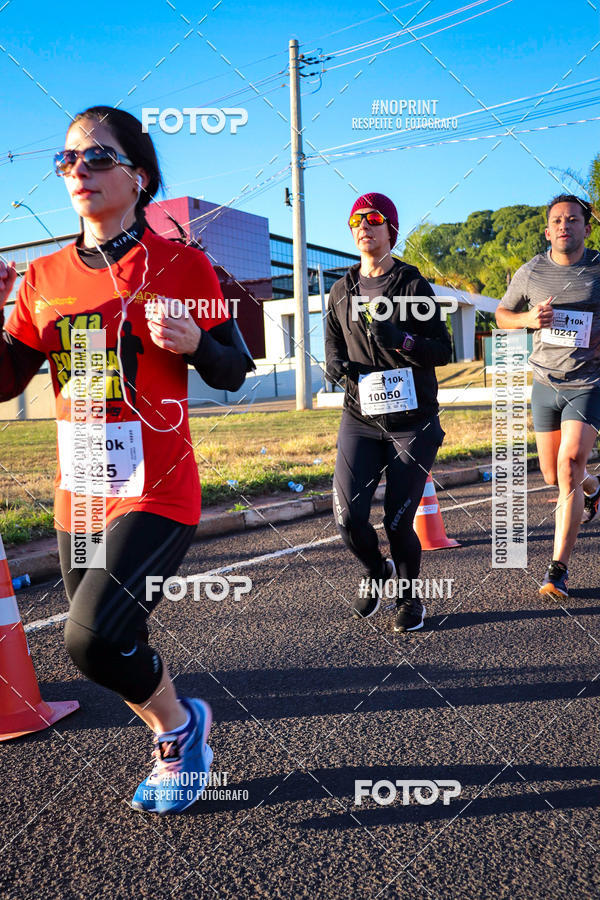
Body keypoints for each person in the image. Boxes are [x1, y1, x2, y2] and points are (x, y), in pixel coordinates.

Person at [0, 106, 253, 813]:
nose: (79, 170)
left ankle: (176, 731)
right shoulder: (43, 278)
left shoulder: (183, 263)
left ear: (139, 178)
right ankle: (183, 726)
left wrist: (198, 346)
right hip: (78, 491)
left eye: (98, 158)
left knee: (88, 640)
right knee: (116, 639)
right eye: (68, 159)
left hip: (157, 488)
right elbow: (5, 381)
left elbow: (236, 366)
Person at [325, 192, 452, 633]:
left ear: (390, 229)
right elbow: (333, 351)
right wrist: (336, 367)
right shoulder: (341, 291)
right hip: (360, 420)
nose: (364, 226)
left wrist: (403, 339)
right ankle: (375, 571)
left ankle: (409, 598)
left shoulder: (412, 286)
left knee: (397, 521)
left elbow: (443, 349)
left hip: (412, 423)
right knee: (347, 517)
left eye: (374, 219)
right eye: (356, 219)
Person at [496, 193, 600, 601]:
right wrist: (527, 318)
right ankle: (594, 489)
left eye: (573, 219)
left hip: (589, 382)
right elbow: (503, 316)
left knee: (570, 463)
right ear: (547, 230)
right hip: (544, 383)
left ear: (586, 228)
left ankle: (558, 570)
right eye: (557, 220)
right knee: (553, 476)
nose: (564, 226)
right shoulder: (531, 271)